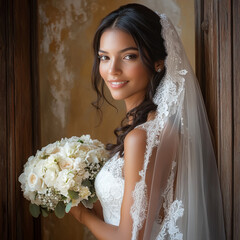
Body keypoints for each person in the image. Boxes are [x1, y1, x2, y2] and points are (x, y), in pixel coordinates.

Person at [70, 3, 226, 240]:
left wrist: (82, 216)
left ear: (158, 62)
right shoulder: (160, 130)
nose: (112, 70)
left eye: (128, 56)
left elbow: (129, 238)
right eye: (104, 57)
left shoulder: (141, 138)